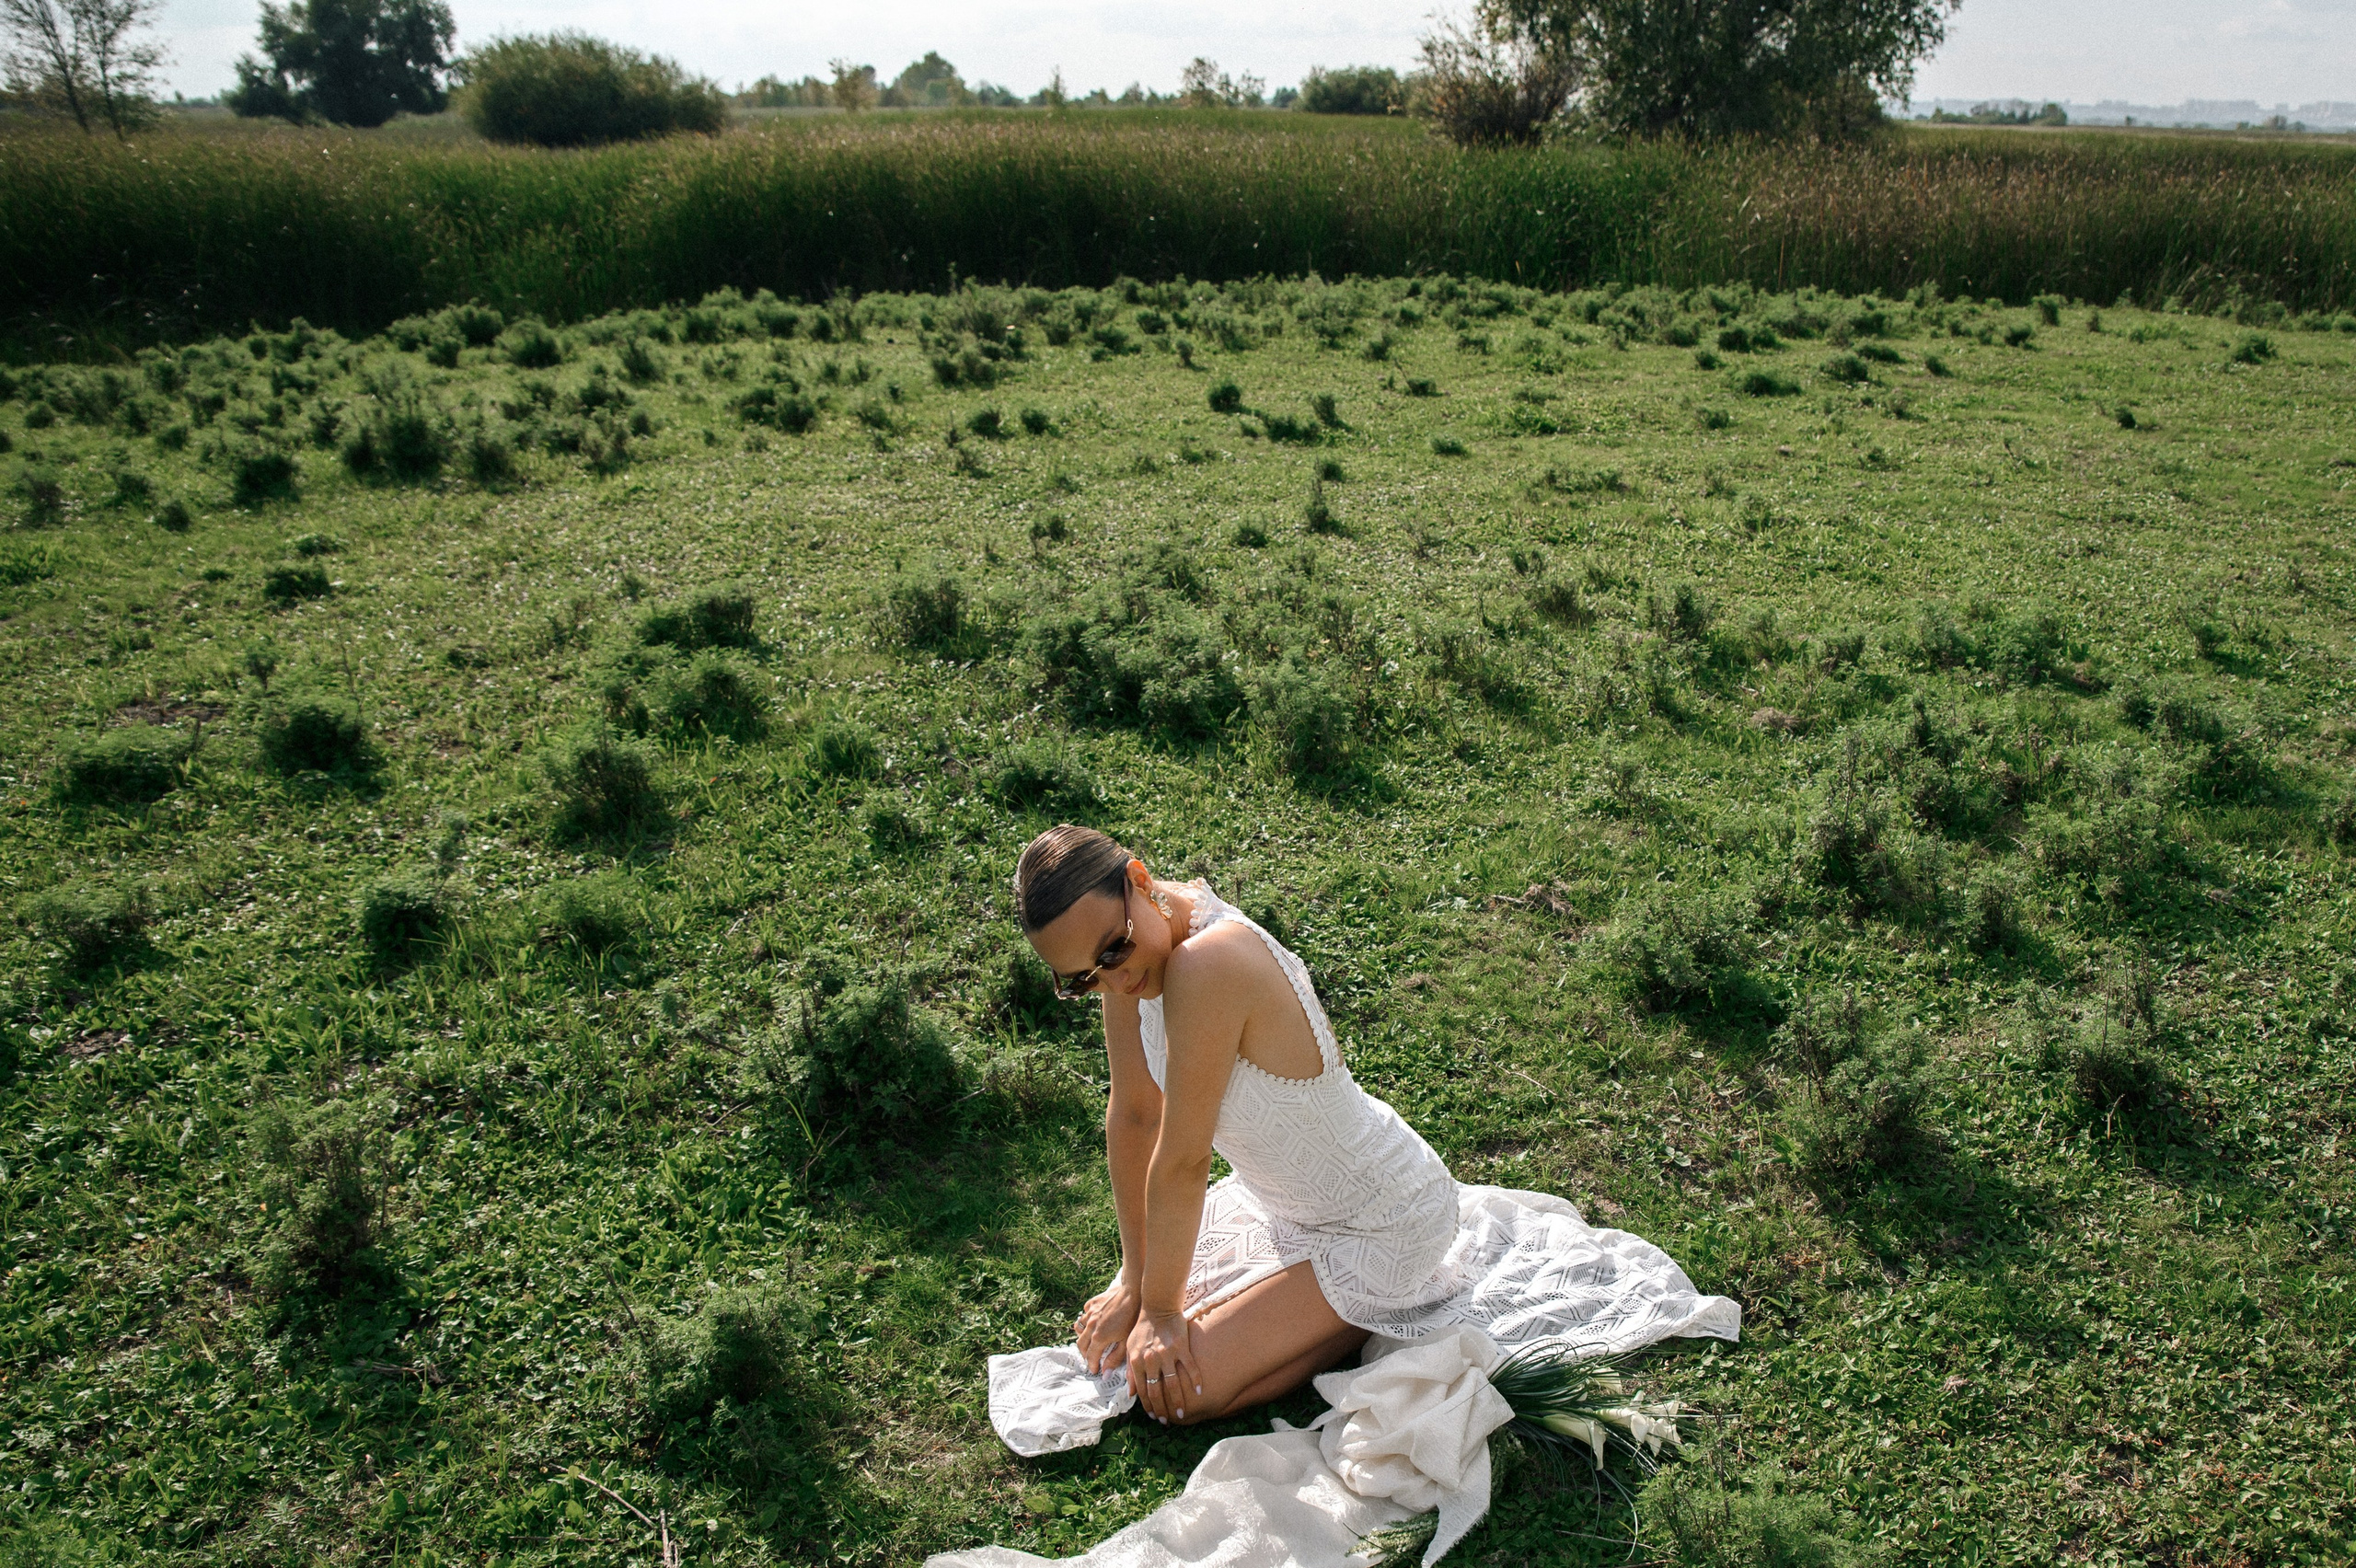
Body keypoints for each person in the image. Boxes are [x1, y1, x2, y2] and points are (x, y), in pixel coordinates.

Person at [1012, 824, 1739, 1431]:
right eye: (1080, 978)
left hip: (1381, 1216)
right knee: (1135, 1367)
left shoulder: (1207, 965)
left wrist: (1165, 1311)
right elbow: (1135, 1115)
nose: (1111, 979)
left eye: (1112, 951)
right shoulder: (1130, 962)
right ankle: (1346, 1314)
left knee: (1179, 1395)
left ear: (1138, 877)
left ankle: (1378, 1309)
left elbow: (1182, 1160)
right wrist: (1137, 1285)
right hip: (1287, 1206)